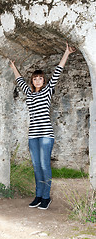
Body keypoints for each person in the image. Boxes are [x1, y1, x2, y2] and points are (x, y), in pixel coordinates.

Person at [10, 43, 76, 209]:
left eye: (40, 78)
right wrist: (13, 66)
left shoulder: (47, 91)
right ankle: (38, 195)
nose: (37, 80)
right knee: (36, 165)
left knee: (45, 165)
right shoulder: (29, 93)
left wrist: (66, 53)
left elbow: (57, 72)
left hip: (46, 135)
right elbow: (19, 80)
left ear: (43, 80)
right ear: (32, 81)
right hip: (33, 135)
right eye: (35, 78)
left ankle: (46, 197)